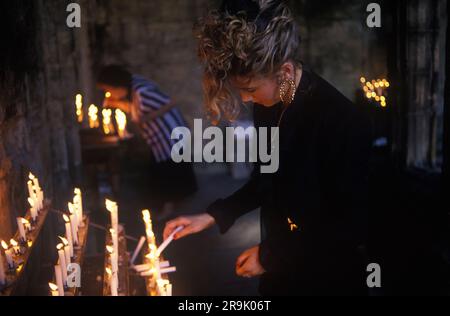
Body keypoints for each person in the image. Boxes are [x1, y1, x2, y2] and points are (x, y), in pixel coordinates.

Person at [163, 0, 373, 295]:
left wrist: (270, 255)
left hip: (327, 276)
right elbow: (267, 179)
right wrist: (214, 215)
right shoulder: (272, 103)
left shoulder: (342, 122)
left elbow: (347, 226)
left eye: (249, 90)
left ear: (285, 71)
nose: (246, 100)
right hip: (281, 270)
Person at [97, 65, 198, 215]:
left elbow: (169, 102)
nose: (108, 93)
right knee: (163, 171)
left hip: (170, 135)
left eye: (108, 89)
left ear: (117, 85)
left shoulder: (141, 91)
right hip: (162, 137)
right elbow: (136, 109)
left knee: (167, 172)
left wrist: (145, 119)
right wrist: (115, 103)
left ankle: (169, 209)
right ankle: (170, 205)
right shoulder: (133, 85)